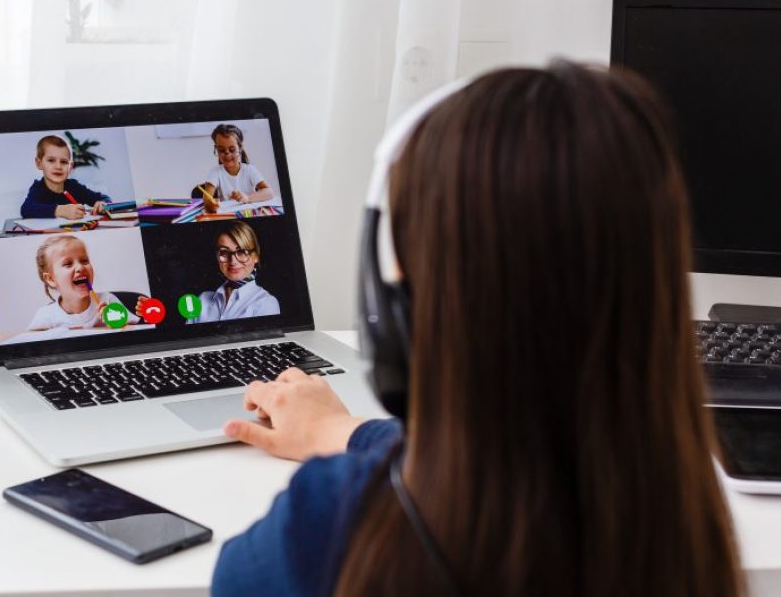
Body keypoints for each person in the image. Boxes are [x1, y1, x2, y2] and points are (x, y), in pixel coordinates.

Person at [211, 63, 743, 596]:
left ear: (398, 317)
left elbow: (233, 579)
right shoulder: (681, 521)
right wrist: (339, 432)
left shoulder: (329, 523)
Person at [27, 234, 142, 331]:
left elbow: (134, 330)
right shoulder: (45, 316)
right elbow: (28, 342)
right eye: (68, 264)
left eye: (84, 260)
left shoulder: (108, 301)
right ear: (51, 279)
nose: (80, 267)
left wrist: (117, 324)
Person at [184, 221, 280, 324]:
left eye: (242, 252)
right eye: (224, 252)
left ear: (255, 256)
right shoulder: (202, 300)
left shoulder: (266, 303)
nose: (233, 261)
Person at [21, 135, 110, 219]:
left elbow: (104, 198)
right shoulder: (38, 188)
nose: (58, 166)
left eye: (63, 162)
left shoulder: (74, 187)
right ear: (39, 163)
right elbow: (26, 209)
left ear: (70, 167)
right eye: (51, 160)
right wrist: (59, 210)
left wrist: (102, 203)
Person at [196, 124, 274, 213]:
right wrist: (211, 204)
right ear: (216, 149)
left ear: (240, 148)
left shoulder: (249, 170)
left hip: (250, 213)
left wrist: (247, 198)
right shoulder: (215, 172)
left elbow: (269, 192)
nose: (227, 154)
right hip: (229, 216)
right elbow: (207, 199)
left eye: (232, 149)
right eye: (221, 150)